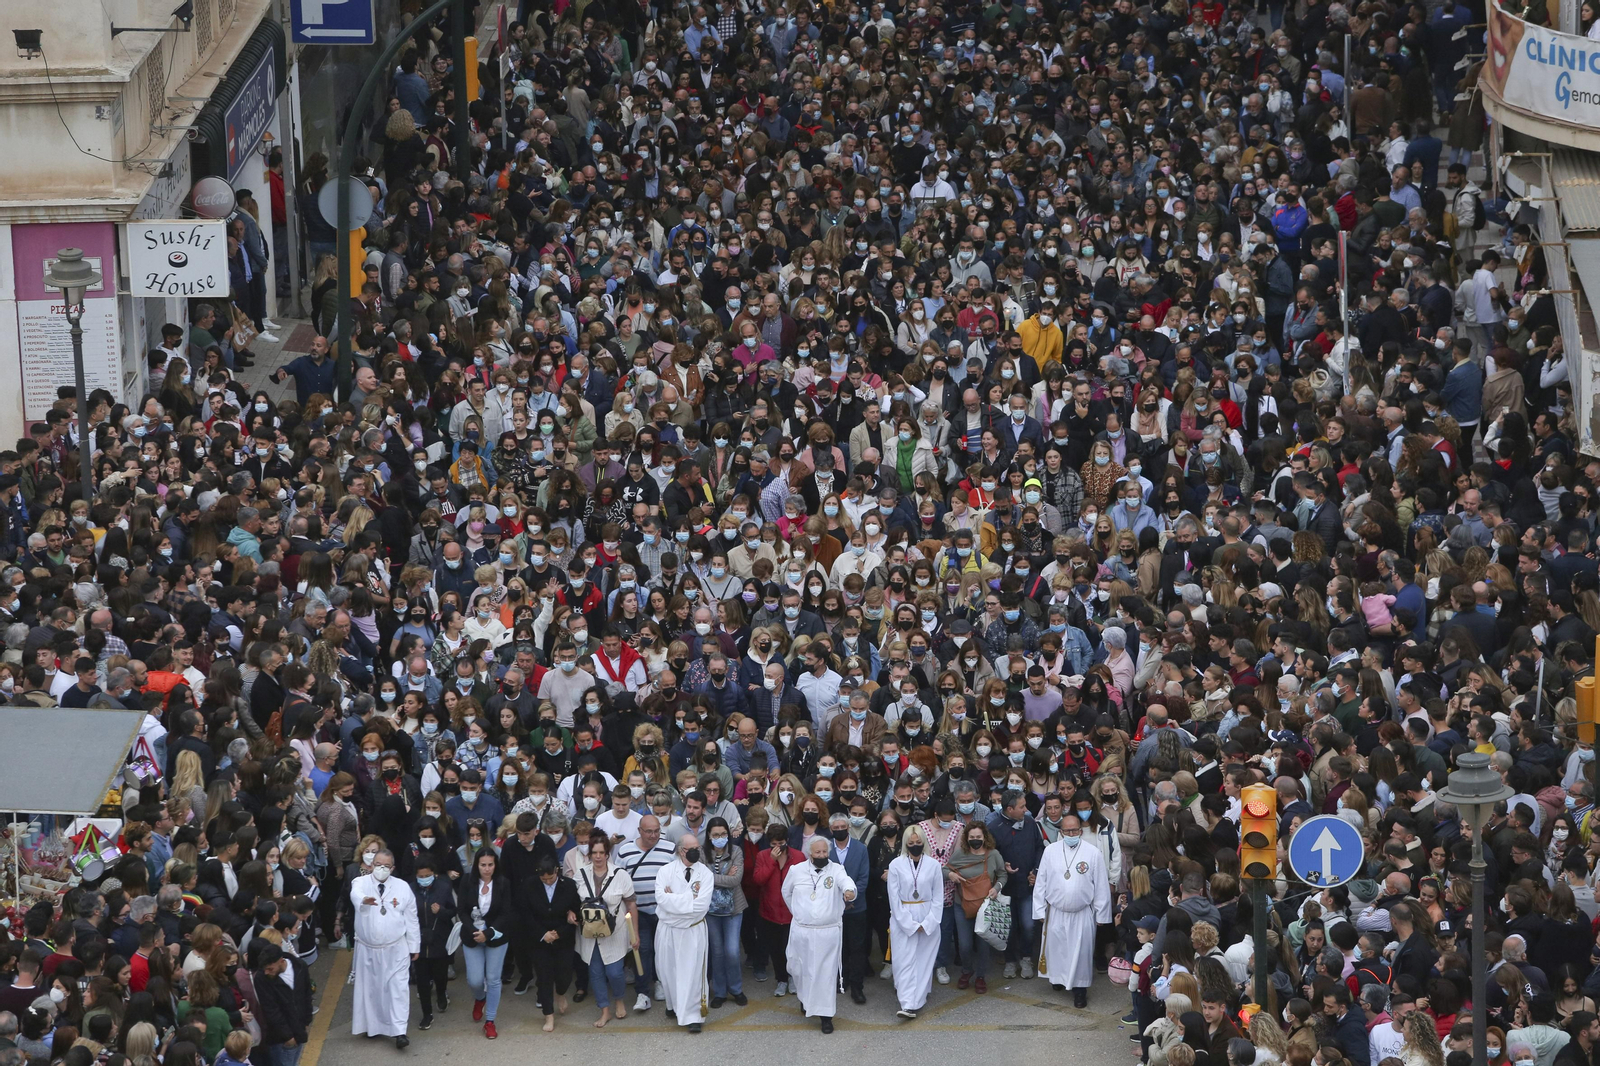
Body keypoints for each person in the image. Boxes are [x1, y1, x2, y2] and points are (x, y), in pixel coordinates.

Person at [781, 835, 859, 1033]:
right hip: (802, 930)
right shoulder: (796, 871)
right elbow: (786, 892)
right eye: (818, 852)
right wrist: (798, 913)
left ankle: (826, 1017)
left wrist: (850, 892)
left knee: (825, 975)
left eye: (825, 852)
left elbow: (847, 883)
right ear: (810, 853)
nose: (822, 855)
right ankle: (805, 997)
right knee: (798, 968)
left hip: (827, 932)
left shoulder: (836, 869)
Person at [1034, 813, 1111, 1008]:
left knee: (1080, 953)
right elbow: (1041, 882)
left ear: (1080, 830)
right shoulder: (1050, 851)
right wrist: (1040, 911)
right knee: (1058, 950)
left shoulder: (1092, 853)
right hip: (1056, 912)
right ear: (1061, 832)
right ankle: (1058, 979)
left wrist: (1102, 913)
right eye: (1067, 830)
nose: (1071, 833)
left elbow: (1101, 885)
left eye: (1075, 830)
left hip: (1082, 913)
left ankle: (1079, 990)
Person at [349, 849, 420, 1048]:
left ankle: (399, 1032)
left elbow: (411, 919)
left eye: (386, 866)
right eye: (378, 864)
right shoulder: (360, 883)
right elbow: (356, 895)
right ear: (371, 865)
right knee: (372, 990)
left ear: (393, 868)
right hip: (368, 949)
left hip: (396, 948)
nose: (381, 869)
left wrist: (414, 945)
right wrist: (364, 901)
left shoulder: (403, 887)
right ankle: (373, 1027)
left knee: (397, 989)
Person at [655, 833, 713, 1033]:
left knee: (692, 972)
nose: (697, 852)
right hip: (668, 930)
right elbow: (661, 900)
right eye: (692, 849)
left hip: (692, 930)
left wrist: (676, 900)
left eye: (699, 847)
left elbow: (702, 906)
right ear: (681, 851)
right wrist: (688, 900)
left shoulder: (705, 874)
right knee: (668, 970)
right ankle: (673, 1005)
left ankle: (692, 1015)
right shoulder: (665, 871)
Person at [887, 824, 945, 1019]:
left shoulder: (934, 865)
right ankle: (907, 1001)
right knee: (903, 961)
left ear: (924, 842)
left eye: (918, 842)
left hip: (927, 913)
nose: (915, 846)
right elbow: (893, 899)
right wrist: (910, 924)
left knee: (923, 961)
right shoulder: (896, 865)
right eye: (911, 843)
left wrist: (928, 923)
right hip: (903, 915)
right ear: (905, 844)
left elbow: (938, 897)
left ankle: (915, 1002)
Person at [457, 848, 510, 1039]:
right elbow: (461, 910)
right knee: (475, 980)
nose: (487, 869)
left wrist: (488, 933)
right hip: (472, 937)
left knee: (494, 978)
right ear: (476, 865)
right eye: (483, 865)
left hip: (496, 937)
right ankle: (480, 998)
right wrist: (474, 932)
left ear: (496, 865)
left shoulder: (503, 883)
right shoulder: (467, 881)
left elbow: (506, 913)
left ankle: (490, 1021)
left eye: (490, 865)